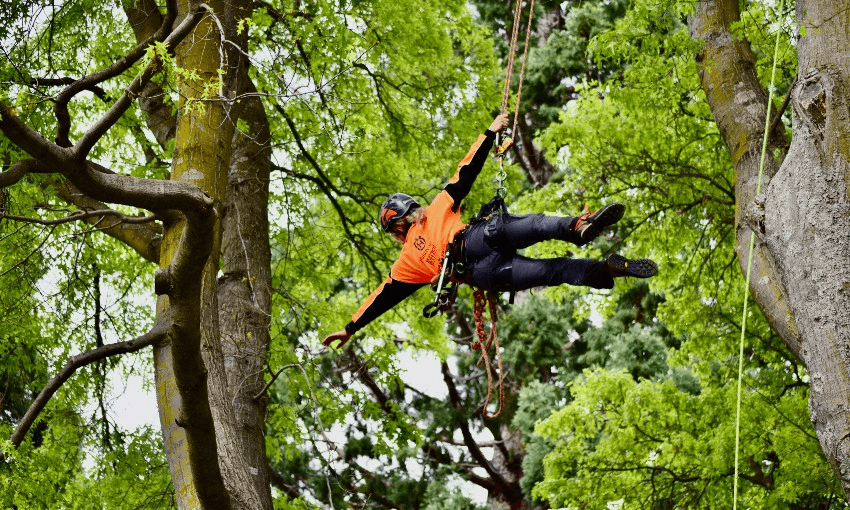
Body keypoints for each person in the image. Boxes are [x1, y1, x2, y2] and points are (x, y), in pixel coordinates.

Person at [323, 113, 657, 348]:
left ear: (396, 228)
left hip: (483, 272)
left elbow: (381, 298)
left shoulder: (407, 262)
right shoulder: (432, 215)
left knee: (552, 271)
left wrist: (350, 328)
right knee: (540, 227)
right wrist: (488, 132)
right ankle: (579, 230)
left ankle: (602, 268)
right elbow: (465, 170)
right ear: (404, 216)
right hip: (481, 243)